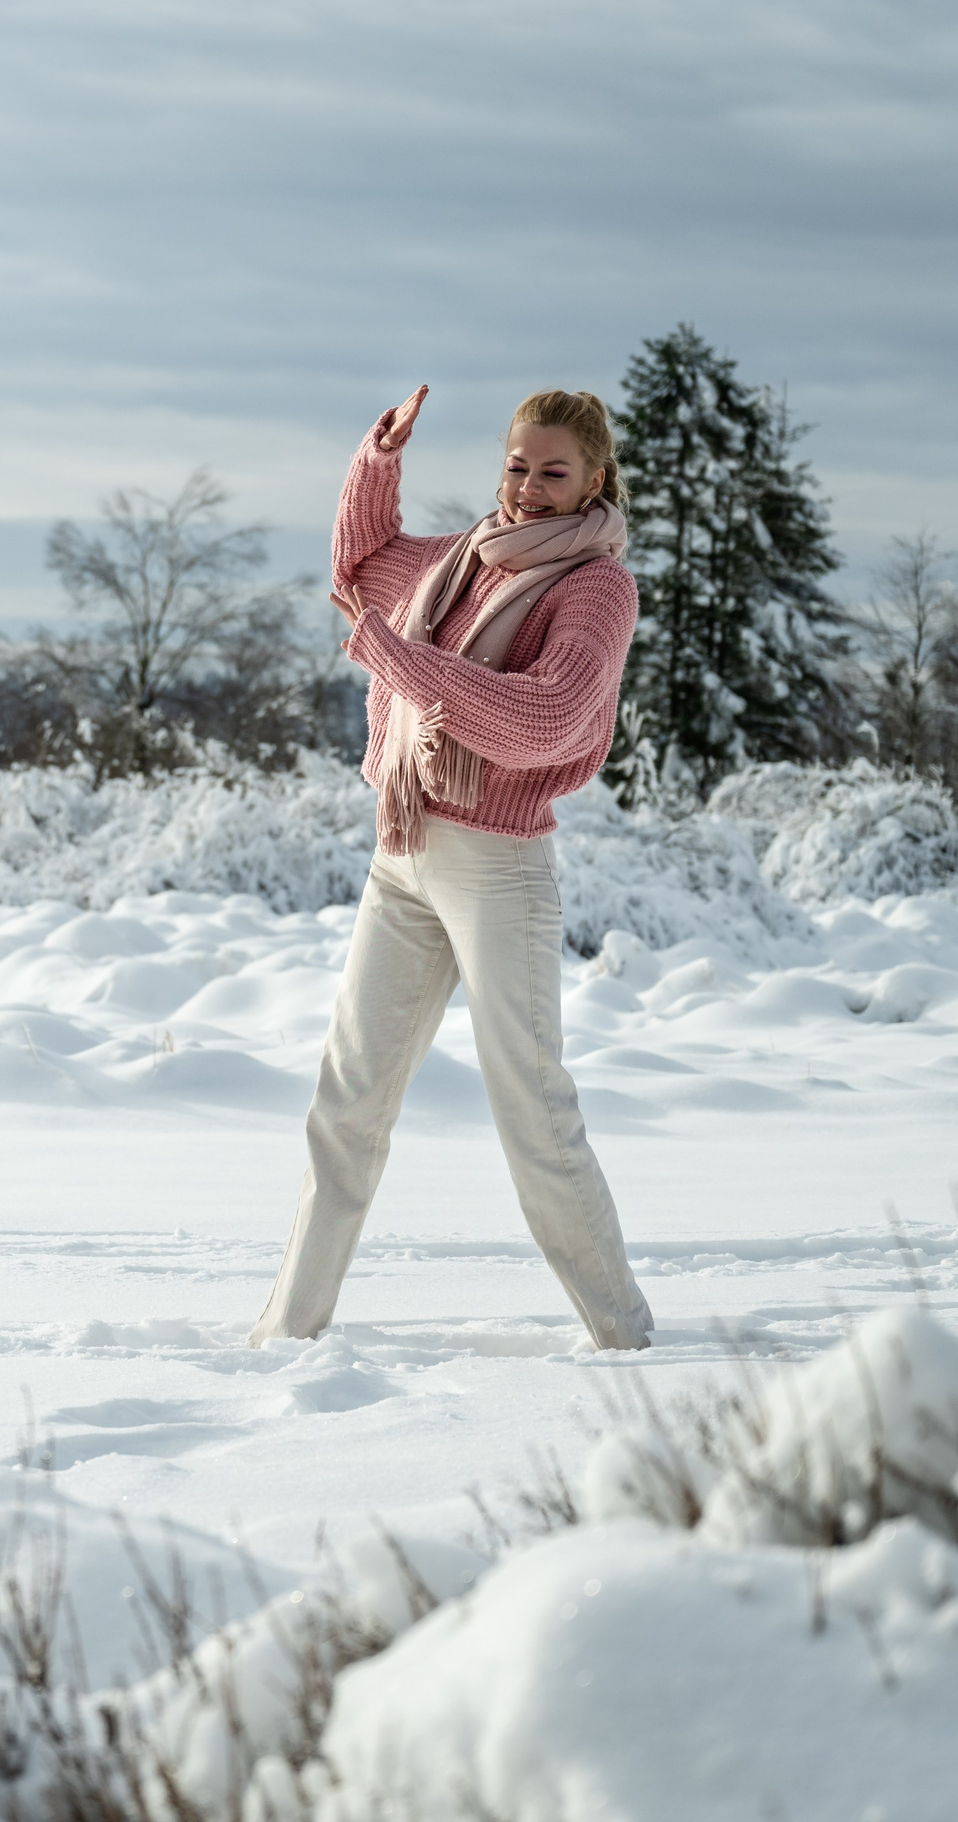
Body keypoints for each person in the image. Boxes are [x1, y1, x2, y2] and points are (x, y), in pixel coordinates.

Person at [248, 384, 655, 1351]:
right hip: (405, 853)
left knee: (532, 1114)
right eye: (519, 465)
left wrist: (402, 664)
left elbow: (544, 718)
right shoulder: (462, 558)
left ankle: (628, 1340)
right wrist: (377, 462)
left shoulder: (595, 588)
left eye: (555, 472)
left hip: (498, 869)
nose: (530, 488)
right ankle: (287, 1338)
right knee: (347, 1102)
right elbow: (361, 570)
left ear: (595, 479)